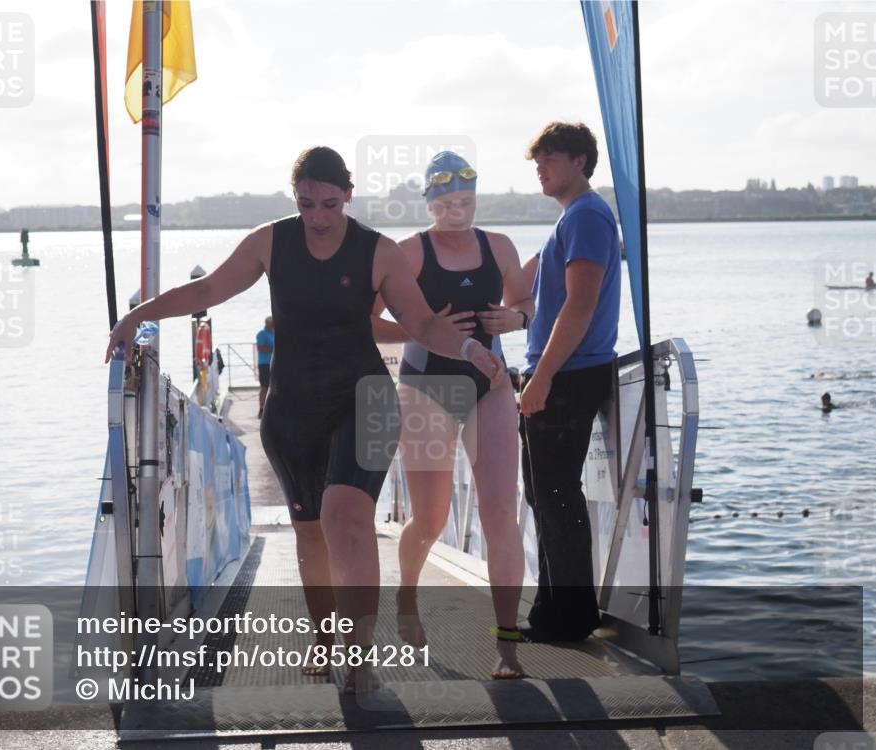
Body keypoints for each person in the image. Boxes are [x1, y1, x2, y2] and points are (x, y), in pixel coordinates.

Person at [105, 146, 504, 693]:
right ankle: (324, 641)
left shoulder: (379, 252)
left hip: (365, 401)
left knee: (346, 518)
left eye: (330, 205)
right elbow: (208, 290)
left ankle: (360, 657)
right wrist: (136, 315)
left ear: (349, 197)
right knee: (311, 535)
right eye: (307, 203)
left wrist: (469, 348)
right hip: (291, 413)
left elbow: (421, 324)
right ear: (295, 198)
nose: (317, 217)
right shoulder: (271, 241)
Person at [371, 151, 533, 679]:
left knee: (499, 516)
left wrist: (515, 318)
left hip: (490, 385)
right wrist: (421, 329)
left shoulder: (500, 247)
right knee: (432, 518)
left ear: (476, 199)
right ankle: (408, 597)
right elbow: (368, 322)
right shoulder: (408, 253)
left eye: (466, 201)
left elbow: (528, 305)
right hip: (427, 386)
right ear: (429, 202)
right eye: (446, 203)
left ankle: (507, 645)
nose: (457, 211)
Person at [517, 122, 621, 643]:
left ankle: (572, 616)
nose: (540, 167)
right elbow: (535, 297)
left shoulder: (586, 217)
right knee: (544, 494)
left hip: (569, 374)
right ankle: (552, 611)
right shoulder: (574, 219)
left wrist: (542, 376)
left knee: (555, 493)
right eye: (538, 160)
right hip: (562, 372)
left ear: (580, 160)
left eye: (550, 158)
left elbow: (580, 305)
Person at [256, 315, 274, 417]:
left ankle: (271, 409)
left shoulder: (274, 333)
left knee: (273, 386)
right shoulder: (262, 334)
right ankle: (262, 408)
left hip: (273, 363)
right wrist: (274, 350)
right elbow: (260, 348)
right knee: (265, 386)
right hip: (264, 364)